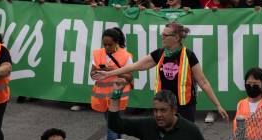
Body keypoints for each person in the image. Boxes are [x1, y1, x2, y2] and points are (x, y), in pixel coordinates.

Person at [93, 22, 228, 124]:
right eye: (162, 34)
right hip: (164, 105)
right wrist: (109, 74)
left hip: (184, 106)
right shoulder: (159, 53)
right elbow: (136, 66)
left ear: (176, 38)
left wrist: (218, 105)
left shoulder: (188, 55)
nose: (162, 37)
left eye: (165, 35)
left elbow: (203, 81)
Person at [106, 90, 207, 140]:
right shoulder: (147, 125)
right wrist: (116, 95)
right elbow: (115, 125)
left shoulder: (191, 131)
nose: (158, 115)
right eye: (155, 110)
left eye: (163, 110)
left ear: (174, 110)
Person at [89, 28, 134, 140]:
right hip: (103, 98)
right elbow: (92, 74)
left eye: (110, 44)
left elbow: (129, 78)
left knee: (112, 127)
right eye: (105, 45)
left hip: (118, 97)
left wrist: (114, 71)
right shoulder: (98, 54)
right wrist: (100, 70)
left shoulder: (125, 56)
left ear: (117, 42)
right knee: (115, 126)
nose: (107, 47)